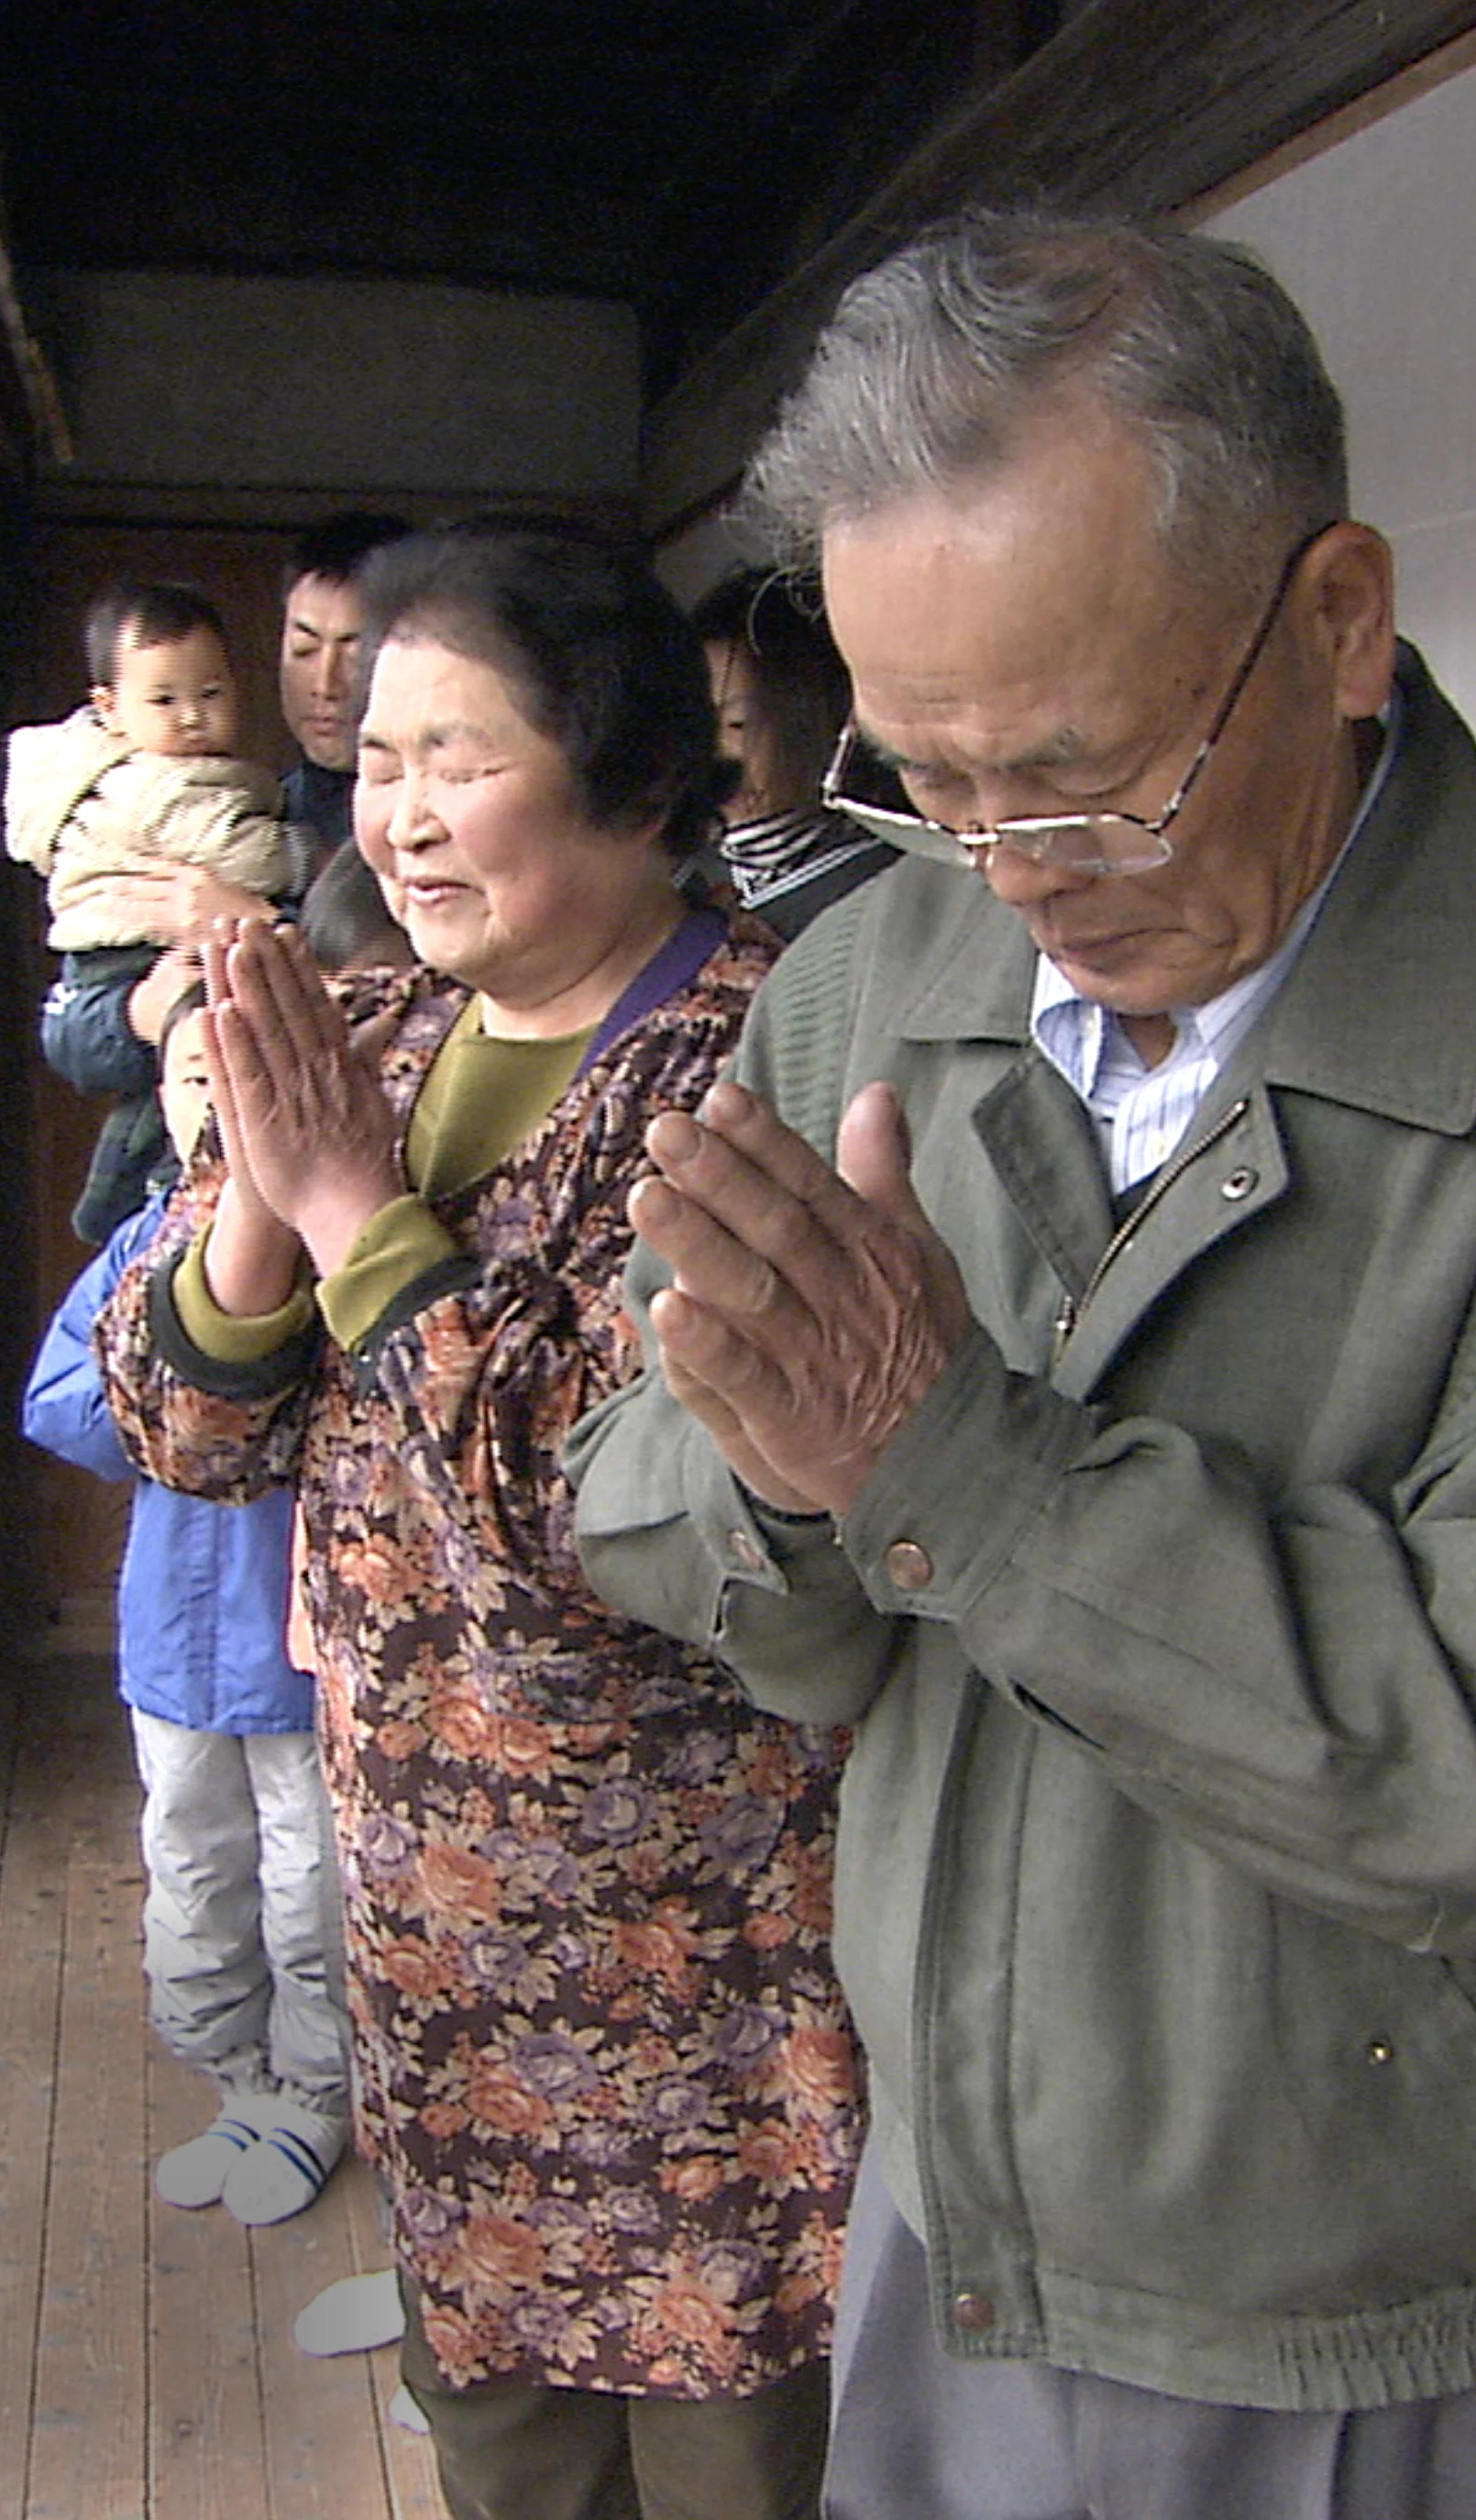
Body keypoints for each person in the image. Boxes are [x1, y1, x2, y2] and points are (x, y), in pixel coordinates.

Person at [568, 213, 1476, 2518]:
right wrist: (795, 1480)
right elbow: (668, 1524)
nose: (1006, 869)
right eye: (924, 774)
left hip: (1381, 2320)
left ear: (1335, 620)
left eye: (1081, 775)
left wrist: (948, 1459)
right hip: (948, 2212)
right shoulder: (875, 970)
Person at [103, 517, 858, 2520]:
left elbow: (606, 1507)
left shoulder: (754, 1056)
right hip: (440, 1963)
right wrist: (269, 1174)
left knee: (727, 2477)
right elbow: (173, 1429)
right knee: (503, 2469)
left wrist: (361, 1211)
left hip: (693, 1980)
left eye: (462, 761)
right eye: (379, 765)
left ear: (621, 769)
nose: (404, 819)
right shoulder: (394, 1034)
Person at [20, 990, 351, 2230]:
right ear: (160, 1098)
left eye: (240, 1071)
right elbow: (56, 1399)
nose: (213, 1099)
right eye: (191, 1077)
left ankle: (319, 2099)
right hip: (173, 1632)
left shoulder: (335, 1242)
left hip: (305, 1642)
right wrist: (189, 1411)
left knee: (312, 1883)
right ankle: (236, 2083)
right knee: (191, 1867)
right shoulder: (150, 1242)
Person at [10, 580, 310, 1242]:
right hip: (129, 953)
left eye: (210, 694)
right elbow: (245, 855)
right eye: (165, 700)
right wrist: (298, 862)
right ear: (109, 709)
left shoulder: (163, 775)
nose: (193, 717)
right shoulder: (155, 786)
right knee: (183, 1080)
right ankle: (120, 1203)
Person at [691, 564, 899, 941]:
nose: (711, 755)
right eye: (694, 727)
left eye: (738, 724)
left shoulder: (891, 890)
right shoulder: (681, 884)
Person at [277, 510, 415, 857]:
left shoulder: (438, 821)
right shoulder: (253, 812)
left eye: (356, 656)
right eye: (303, 649)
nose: (325, 684)